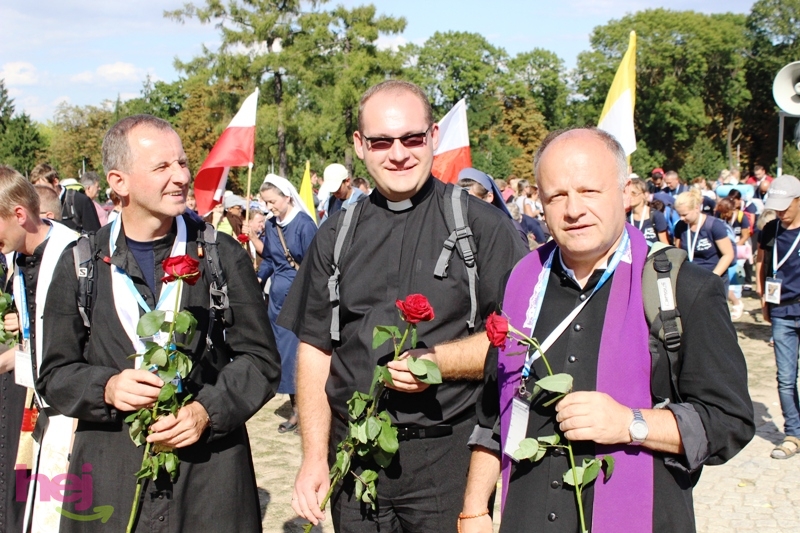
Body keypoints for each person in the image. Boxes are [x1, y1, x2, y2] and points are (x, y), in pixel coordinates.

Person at [460, 128, 754, 533]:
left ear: (625, 191)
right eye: (557, 195)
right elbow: (496, 411)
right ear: (541, 202)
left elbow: (729, 421)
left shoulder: (684, 288)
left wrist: (631, 423)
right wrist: (475, 507)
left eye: (589, 191)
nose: (573, 209)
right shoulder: (520, 281)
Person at [280, 80, 528, 532]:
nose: (398, 154)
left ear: (434, 136)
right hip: (356, 460)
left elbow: (518, 343)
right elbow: (316, 349)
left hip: (450, 458)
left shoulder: (483, 228)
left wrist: (439, 361)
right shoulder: (335, 234)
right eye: (381, 141)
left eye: (412, 138)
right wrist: (315, 457)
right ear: (360, 145)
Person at [37, 114, 281, 532]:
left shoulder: (221, 255)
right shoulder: (80, 263)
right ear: (119, 182)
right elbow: (54, 376)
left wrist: (209, 410)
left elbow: (261, 361)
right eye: (162, 167)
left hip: (209, 481)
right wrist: (106, 388)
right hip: (112, 481)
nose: (181, 176)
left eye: (182, 163)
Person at [0, 166, 82, 531]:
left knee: (71, 507)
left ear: (19, 214)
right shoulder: (17, 258)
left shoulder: (75, 254)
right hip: (40, 403)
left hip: (75, 409)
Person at [249, 174, 317, 433]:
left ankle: (304, 412)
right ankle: (296, 409)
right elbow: (269, 259)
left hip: (300, 301)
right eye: (266, 202)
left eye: (273, 201)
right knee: (283, 358)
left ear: (287, 196)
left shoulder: (304, 225)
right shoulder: (270, 225)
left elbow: (315, 264)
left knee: (297, 357)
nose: (269, 207)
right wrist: (257, 278)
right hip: (276, 303)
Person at [756, 175, 800, 459]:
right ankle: (794, 433)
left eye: (785, 206)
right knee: (785, 378)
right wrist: (763, 298)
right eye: (776, 207)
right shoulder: (770, 228)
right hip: (781, 310)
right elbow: (761, 261)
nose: (780, 212)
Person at [673, 190, 735, 295]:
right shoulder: (680, 226)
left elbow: (728, 254)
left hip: (713, 277)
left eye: (685, 214)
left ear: (696, 208)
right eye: (679, 214)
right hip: (691, 279)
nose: (681, 218)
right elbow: (678, 251)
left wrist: (712, 278)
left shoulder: (714, 225)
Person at [29, 164, 101, 233]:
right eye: (37, 189)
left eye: (44, 187)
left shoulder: (79, 200)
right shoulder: (37, 207)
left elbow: (95, 236)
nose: (40, 193)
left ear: (55, 182)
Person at [628, 178, 668, 246]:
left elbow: (665, 245)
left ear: (645, 195)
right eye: (627, 194)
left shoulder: (656, 215)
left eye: (634, 193)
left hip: (653, 256)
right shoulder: (625, 217)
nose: (630, 197)